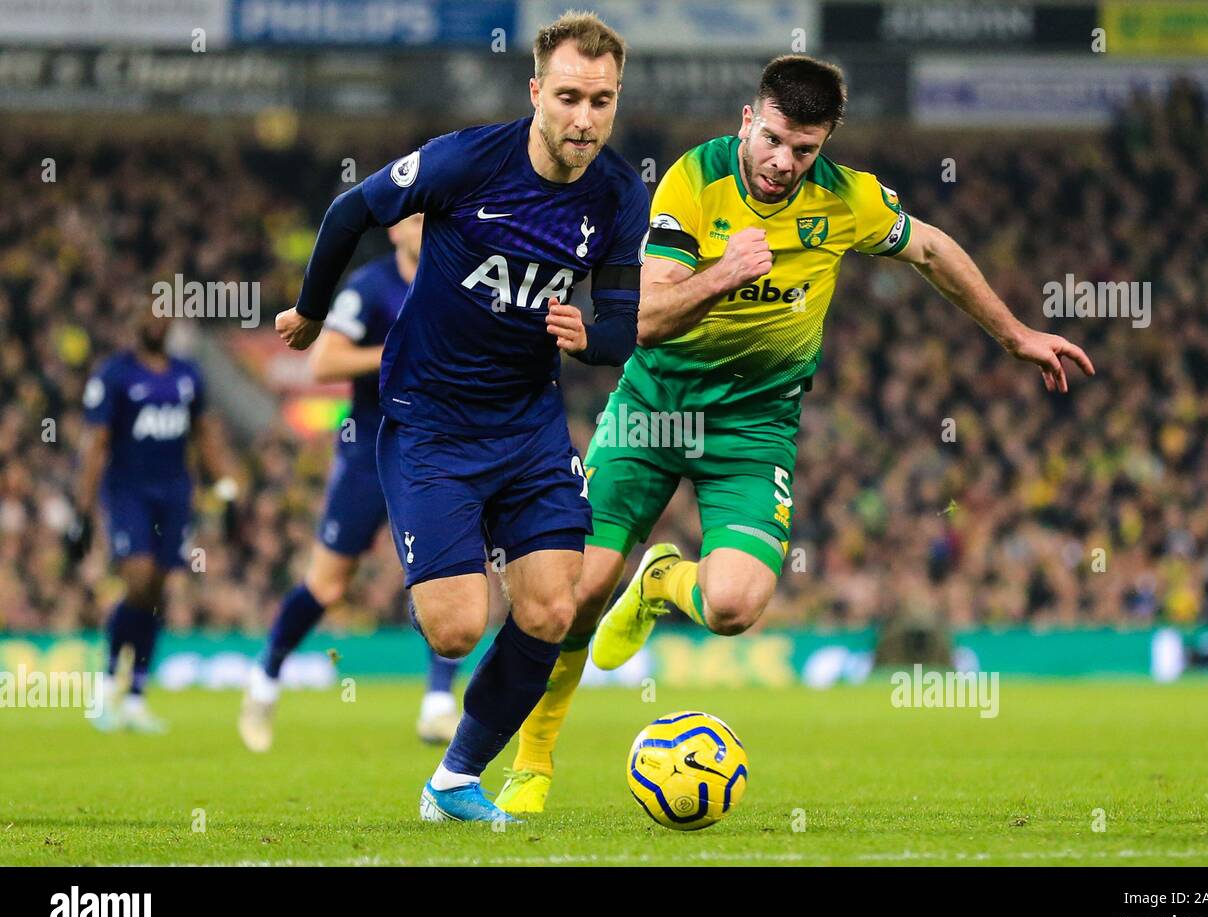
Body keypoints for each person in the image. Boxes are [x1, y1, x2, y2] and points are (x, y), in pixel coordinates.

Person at [497, 55, 1095, 814]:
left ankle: (661, 582)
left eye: (804, 149)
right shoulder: (693, 180)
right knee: (576, 595)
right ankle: (534, 763)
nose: (784, 162)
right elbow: (643, 319)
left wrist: (1013, 334)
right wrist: (725, 273)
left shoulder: (849, 200)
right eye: (774, 139)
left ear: (825, 144)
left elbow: (935, 251)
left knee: (733, 608)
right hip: (654, 407)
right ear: (749, 120)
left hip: (754, 425)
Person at [274, 12, 647, 823]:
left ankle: (452, 781)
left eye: (603, 101)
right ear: (537, 92)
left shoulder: (620, 193)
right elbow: (351, 211)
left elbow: (623, 324)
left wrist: (592, 339)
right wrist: (308, 312)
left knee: (554, 606)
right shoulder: (466, 159)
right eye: (571, 97)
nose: (585, 118)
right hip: (430, 421)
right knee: (455, 629)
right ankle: (444, 551)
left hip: (528, 424)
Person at [239, 214, 463, 753]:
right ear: (394, 230)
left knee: (448, 571)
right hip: (368, 449)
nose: (427, 224)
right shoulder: (369, 288)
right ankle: (265, 678)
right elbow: (324, 360)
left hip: (434, 449)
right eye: (416, 217)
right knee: (328, 585)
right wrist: (395, 356)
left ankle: (437, 703)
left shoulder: (459, 277)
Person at [69, 304, 240, 732]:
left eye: (163, 315)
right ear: (135, 323)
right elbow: (96, 444)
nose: (156, 322)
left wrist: (226, 488)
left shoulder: (187, 375)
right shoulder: (115, 375)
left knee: (158, 592)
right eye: (148, 314)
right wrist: (82, 511)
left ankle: (136, 695)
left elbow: (205, 434)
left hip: (175, 496)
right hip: (129, 494)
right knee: (139, 580)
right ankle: (108, 681)